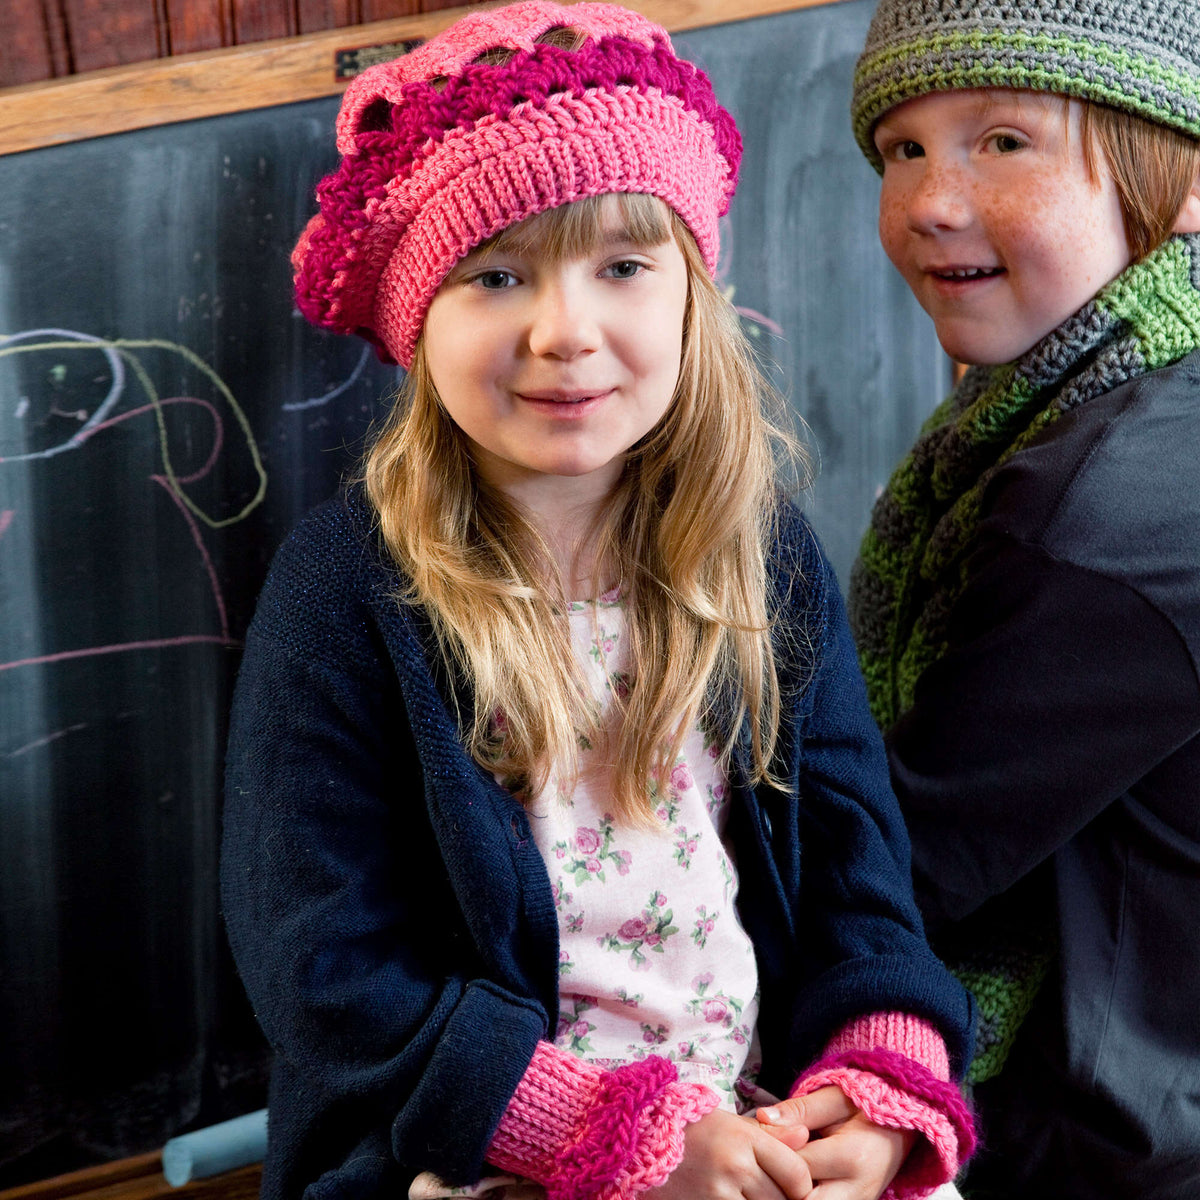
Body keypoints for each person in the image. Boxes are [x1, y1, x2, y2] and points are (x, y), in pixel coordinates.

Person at [220, 4, 976, 1199]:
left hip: (753, 1125)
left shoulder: (760, 555)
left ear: (691, 294)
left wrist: (875, 1077)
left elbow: (857, 866)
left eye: (623, 265)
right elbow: (325, 967)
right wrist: (621, 1142)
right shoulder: (348, 590)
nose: (566, 331)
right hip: (476, 1151)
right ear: (421, 320)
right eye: (496, 274)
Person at [843, 0, 1200, 1195]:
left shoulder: (1105, 510)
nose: (932, 201)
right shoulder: (1097, 403)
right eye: (902, 149)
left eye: (1004, 141)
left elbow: (889, 857)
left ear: (1184, 180)